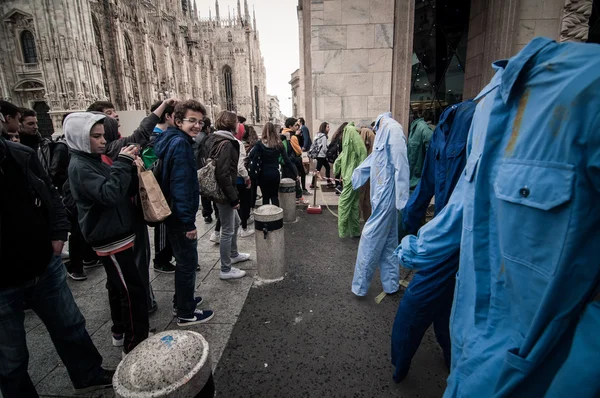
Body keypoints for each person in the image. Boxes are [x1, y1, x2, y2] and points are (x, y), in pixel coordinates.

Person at [397, 38, 600, 397]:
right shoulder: (488, 103)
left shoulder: (589, 86)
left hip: (539, 370)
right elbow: (463, 203)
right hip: (469, 353)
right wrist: (413, 245)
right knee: (431, 309)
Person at [0, 131, 114, 397]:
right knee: (10, 356)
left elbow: (50, 195)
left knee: (70, 325)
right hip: (3, 282)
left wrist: (59, 233)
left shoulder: (19, 155)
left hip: (43, 264)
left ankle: (89, 375)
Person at [391, 100, 475, 382]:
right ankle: (437, 359)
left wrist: (415, 242)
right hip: (446, 232)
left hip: (458, 238)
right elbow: (428, 181)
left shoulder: (474, 120)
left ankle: (403, 365)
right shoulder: (439, 131)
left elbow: (462, 204)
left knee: (420, 303)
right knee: (444, 303)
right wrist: (410, 230)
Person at [64, 112, 149, 356]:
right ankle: (135, 345)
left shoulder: (93, 159)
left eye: (103, 135)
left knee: (119, 286)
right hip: (110, 237)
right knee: (132, 290)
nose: (103, 141)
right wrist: (122, 162)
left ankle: (121, 331)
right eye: (96, 136)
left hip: (116, 231)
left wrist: (133, 167)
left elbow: (118, 188)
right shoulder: (81, 165)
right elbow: (109, 194)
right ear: (80, 138)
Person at [154, 100, 215, 325]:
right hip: (180, 216)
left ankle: (182, 300)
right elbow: (180, 184)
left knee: (183, 261)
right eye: (192, 121)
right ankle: (186, 312)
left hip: (173, 213)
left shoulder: (173, 139)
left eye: (200, 122)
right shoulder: (180, 144)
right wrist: (189, 223)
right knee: (187, 263)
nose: (197, 126)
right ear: (178, 121)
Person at [350, 114, 409, 295]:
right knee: (389, 242)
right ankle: (391, 285)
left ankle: (359, 287)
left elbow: (401, 163)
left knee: (369, 240)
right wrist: (356, 177)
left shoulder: (393, 129)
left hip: (386, 197)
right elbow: (373, 160)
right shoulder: (384, 131)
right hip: (381, 197)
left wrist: (401, 198)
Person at [208, 110, 251, 280]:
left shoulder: (215, 138)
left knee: (235, 222)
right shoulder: (227, 143)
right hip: (224, 192)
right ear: (231, 124)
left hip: (221, 190)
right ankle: (225, 269)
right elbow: (223, 174)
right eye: (236, 122)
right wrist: (233, 198)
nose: (239, 125)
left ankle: (233, 253)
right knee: (227, 229)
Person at [143, 100, 177, 274]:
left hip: (169, 188)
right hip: (160, 188)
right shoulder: (154, 137)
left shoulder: (163, 136)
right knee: (162, 224)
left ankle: (169, 255)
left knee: (169, 223)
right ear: (168, 116)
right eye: (176, 115)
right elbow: (152, 166)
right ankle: (161, 259)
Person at [249, 122, 297, 206]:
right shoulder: (279, 144)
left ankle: (266, 217)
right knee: (274, 196)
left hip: (263, 174)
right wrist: (295, 173)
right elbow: (287, 160)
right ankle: (277, 217)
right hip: (275, 173)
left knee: (265, 197)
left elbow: (251, 155)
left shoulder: (259, 144)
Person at [333, 122, 367, 238]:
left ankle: (343, 232)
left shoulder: (351, 132)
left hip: (352, 176)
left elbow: (362, 152)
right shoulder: (349, 133)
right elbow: (344, 154)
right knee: (353, 204)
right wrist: (337, 167)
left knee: (343, 203)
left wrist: (359, 174)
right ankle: (355, 231)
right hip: (350, 175)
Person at [407, 113, 433, 191]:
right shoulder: (413, 129)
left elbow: (432, 149)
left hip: (418, 180)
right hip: (412, 178)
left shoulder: (423, 128)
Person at [235, 131, 253, 238]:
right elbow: (240, 166)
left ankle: (217, 232)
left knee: (234, 205)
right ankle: (244, 228)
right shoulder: (238, 143)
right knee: (244, 204)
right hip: (239, 179)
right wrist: (247, 178)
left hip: (228, 180)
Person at [358, 127, 376, 221]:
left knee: (361, 197)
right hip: (369, 170)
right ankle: (367, 218)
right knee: (366, 197)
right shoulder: (371, 134)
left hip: (364, 169)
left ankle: (358, 218)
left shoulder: (366, 134)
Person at [243, 125, 259, 212]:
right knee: (253, 189)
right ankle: (251, 207)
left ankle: (247, 209)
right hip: (252, 169)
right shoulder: (256, 143)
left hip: (244, 169)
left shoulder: (242, 143)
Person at [328, 122, 348, 195]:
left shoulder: (336, 135)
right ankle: (340, 187)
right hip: (341, 156)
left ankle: (337, 186)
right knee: (342, 172)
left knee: (337, 172)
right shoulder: (343, 136)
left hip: (336, 157)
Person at [311, 122, 332, 187]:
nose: (329, 128)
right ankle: (328, 182)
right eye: (327, 127)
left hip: (317, 154)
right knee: (319, 169)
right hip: (321, 155)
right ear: (324, 128)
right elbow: (324, 148)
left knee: (321, 168)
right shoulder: (323, 136)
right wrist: (328, 153)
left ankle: (313, 183)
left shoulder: (317, 135)